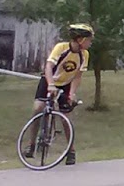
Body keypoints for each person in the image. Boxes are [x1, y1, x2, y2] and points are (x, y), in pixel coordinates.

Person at [32, 22, 93, 165]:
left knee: (66, 117)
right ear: (80, 39)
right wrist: (51, 84)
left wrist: (71, 93)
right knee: (37, 109)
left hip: (66, 84)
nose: (90, 43)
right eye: (89, 40)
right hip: (49, 80)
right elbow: (48, 66)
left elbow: (78, 76)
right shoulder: (61, 48)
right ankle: (31, 144)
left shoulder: (84, 54)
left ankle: (71, 151)